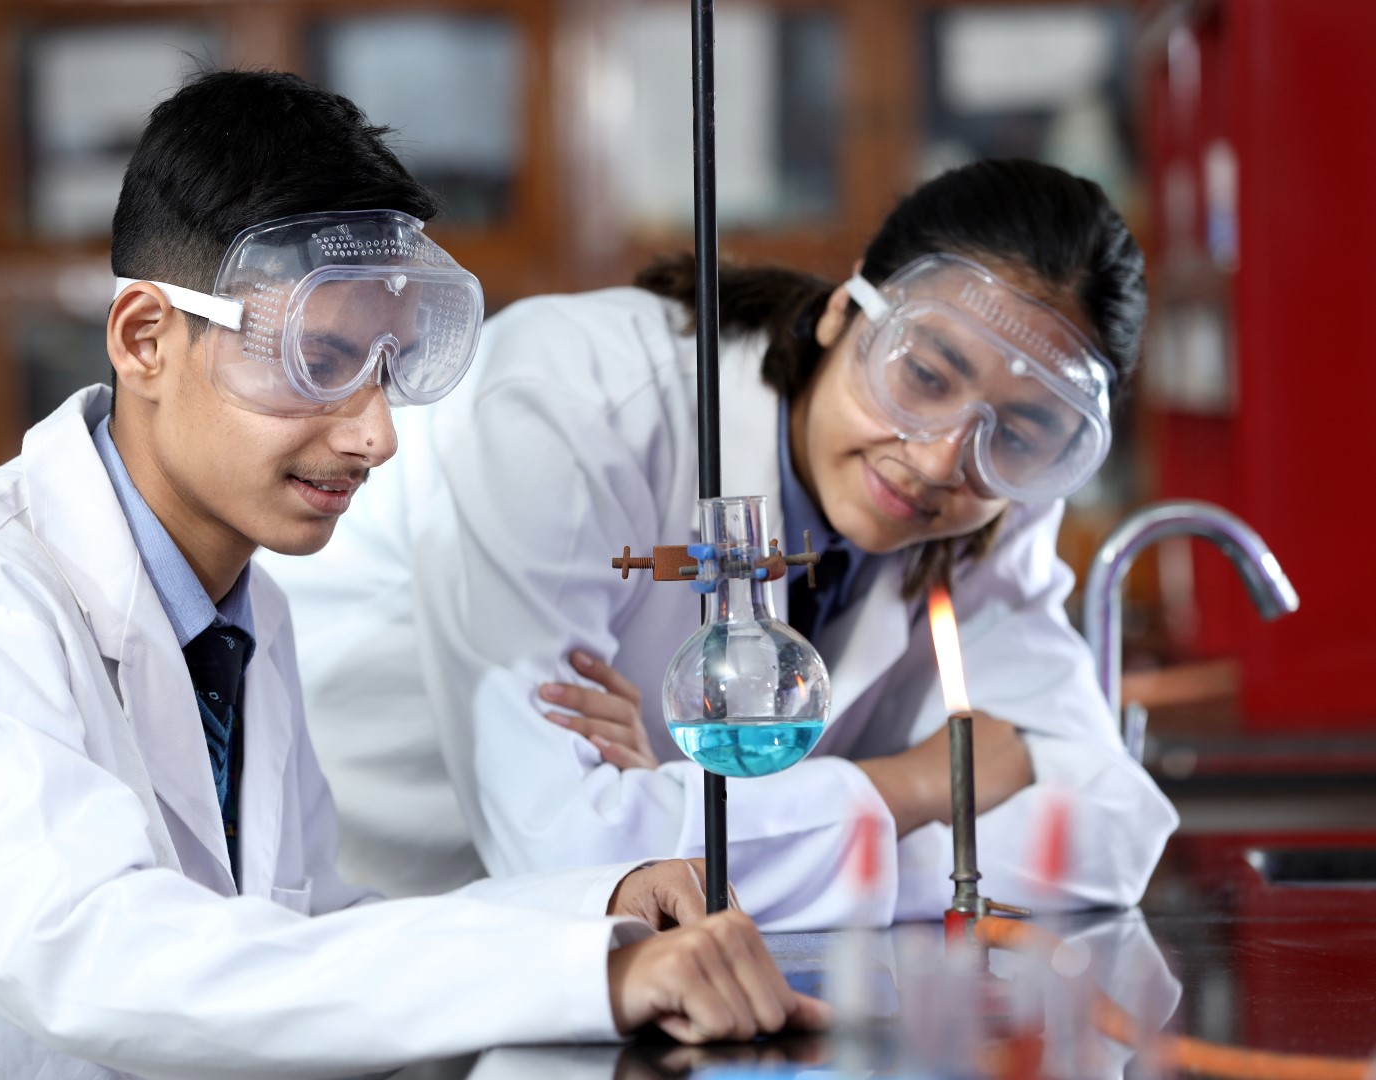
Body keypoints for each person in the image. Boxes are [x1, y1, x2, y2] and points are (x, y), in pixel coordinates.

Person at [0, 70, 828, 1078]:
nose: (375, 434)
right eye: (317, 361)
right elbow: (108, 964)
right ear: (145, 339)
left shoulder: (239, 613)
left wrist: (598, 909)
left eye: (385, 368)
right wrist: (585, 977)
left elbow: (302, 932)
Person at [260, 158, 1180, 928]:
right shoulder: (577, 399)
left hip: (651, 965)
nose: (943, 458)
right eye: (925, 373)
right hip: (378, 910)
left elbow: (1112, 824)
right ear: (844, 310)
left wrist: (686, 812)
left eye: (1020, 434)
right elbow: (566, 854)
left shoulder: (991, 504)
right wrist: (917, 790)